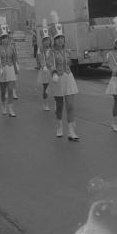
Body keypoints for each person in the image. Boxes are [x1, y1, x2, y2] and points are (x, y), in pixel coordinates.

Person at [48, 11, 79, 141]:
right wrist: (54, 73)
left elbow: (70, 64)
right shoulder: (51, 52)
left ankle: (71, 131)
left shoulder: (67, 51)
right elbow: (51, 64)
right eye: (58, 39)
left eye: (62, 38)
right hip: (58, 79)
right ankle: (59, 126)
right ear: (54, 41)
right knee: (60, 106)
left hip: (69, 78)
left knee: (70, 105)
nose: (61, 40)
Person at [0, 16, 18, 117]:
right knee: (3, 91)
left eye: (6, 37)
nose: (5, 40)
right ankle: (3, 105)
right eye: (3, 38)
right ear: (1, 39)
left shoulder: (12, 47)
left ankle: (11, 108)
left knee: (11, 90)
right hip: (2, 70)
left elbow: (14, 58)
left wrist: (16, 68)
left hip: (11, 69)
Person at [35, 19, 53, 111]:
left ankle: (54, 102)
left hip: (52, 70)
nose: (47, 42)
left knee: (54, 87)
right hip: (45, 71)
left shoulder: (52, 49)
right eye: (45, 40)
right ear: (42, 41)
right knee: (46, 87)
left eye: (48, 40)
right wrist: (44, 66)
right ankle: (45, 104)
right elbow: (40, 58)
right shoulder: (40, 49)